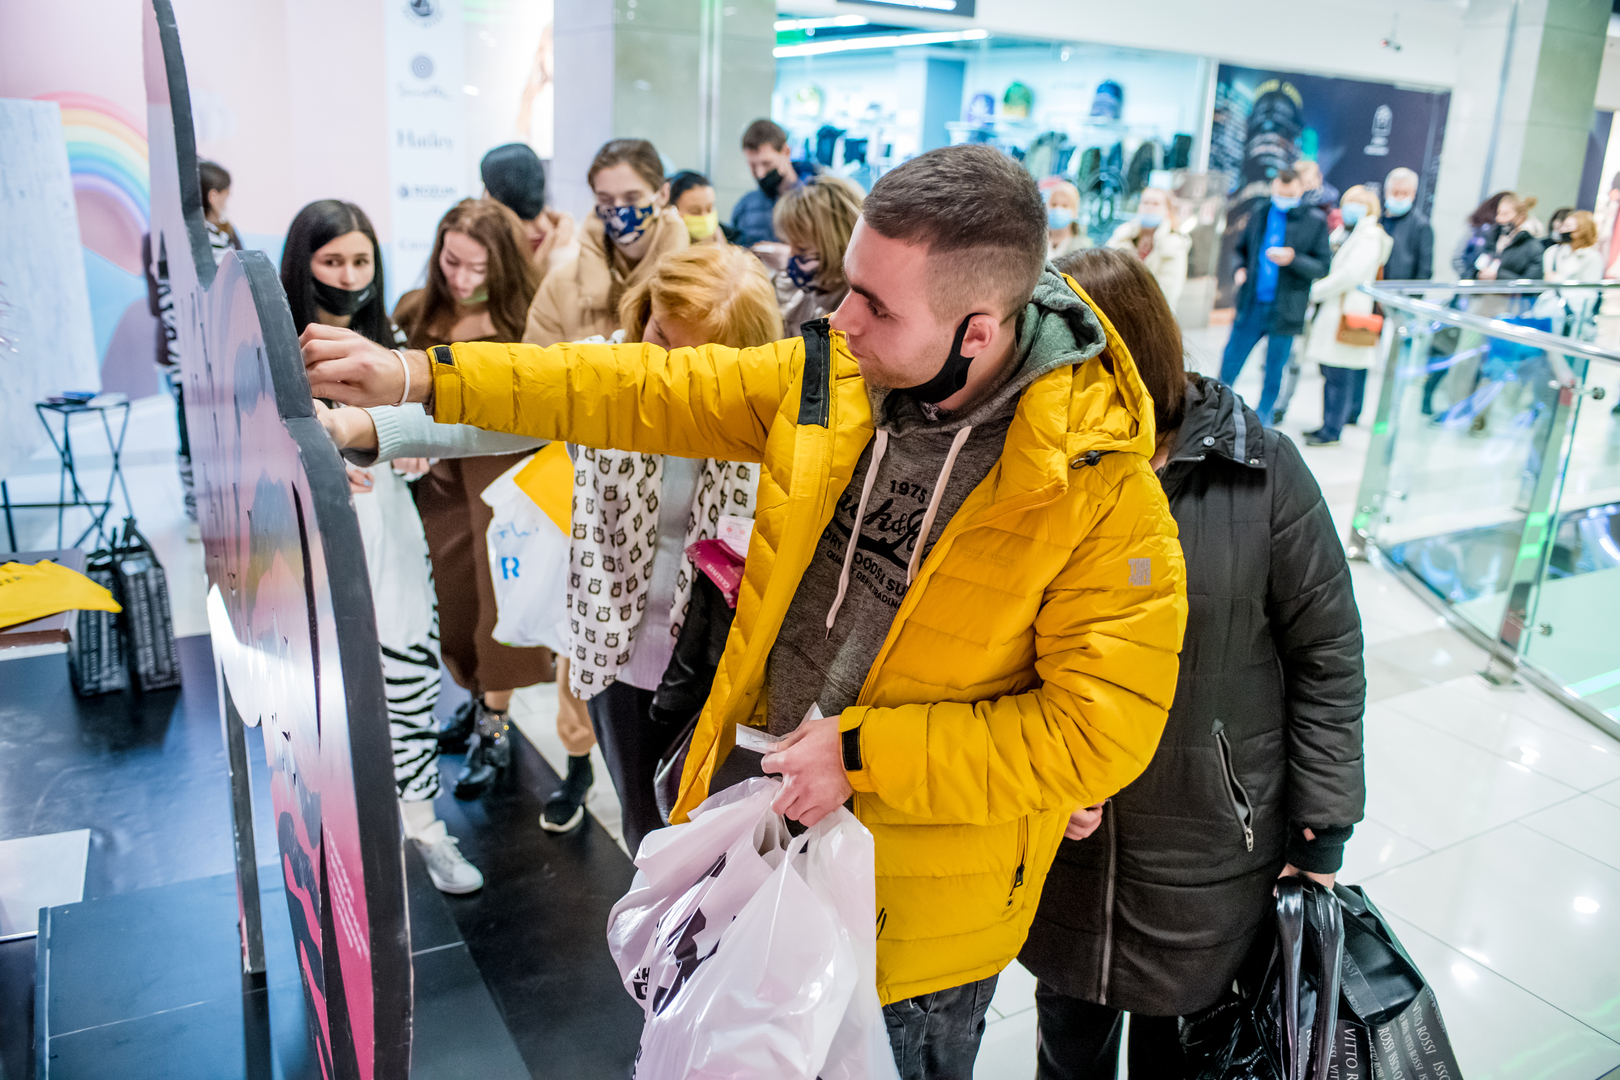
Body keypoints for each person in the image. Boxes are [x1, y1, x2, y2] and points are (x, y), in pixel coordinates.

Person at [302, 143, 1188, 1080]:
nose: (839, 320)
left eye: (877, 306)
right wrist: (415, 379)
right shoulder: (832, 380)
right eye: (846, 287)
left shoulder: (1103, 501)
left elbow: (1097, 737)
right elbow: (628, 388)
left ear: (976, 331)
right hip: (754, 839)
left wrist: (859, 756)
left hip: (912, 926)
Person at [1028, 246, 1363, 1080]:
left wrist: (1322, 831)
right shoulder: (1040, 469)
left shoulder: (1261, 471)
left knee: (1182, 1059)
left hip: (1210, 845)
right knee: (1066, 1047)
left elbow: (1327, 651)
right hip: (1063, 836)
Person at [280, 199, 484, 894]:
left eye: (360, 260)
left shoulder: (388, 340)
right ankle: (334, 838)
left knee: (408, 666)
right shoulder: (275, 347)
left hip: (389, 525)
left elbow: (424, 423)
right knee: (317, 690)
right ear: (303, 264)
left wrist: (405, 448)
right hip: (305, 535)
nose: (348, 274)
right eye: (332, 261)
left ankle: (423, 825)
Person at [395, 198, 555, 803]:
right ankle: (474, 701)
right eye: (451, 261)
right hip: (437, 478)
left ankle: (494, 724)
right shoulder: (416, 311)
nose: (461, 279)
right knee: (453, 597)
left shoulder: (528, 324)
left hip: (505, 480)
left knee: (501, 607)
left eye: (477, 269)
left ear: (504, 268)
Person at [523, 138, 689, 346]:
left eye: (631, 198)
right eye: (606, 200)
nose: (618, 210)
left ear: (663, 194)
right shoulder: (560, 286)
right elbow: (537, 371)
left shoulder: (696, 287)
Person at [1218, 168, 1332, 425]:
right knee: (1230, 362)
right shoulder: (1261, 212)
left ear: (1300, 190)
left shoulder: (1315, 221)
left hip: (1287, 309)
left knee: (1273, 371)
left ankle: (1263, 420)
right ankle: (1216, 409)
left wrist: (1294, 259)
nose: (1283, 197)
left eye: (1289, 194)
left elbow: (1323, 266)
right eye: (1279, 192)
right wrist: (1240, 269)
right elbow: (1240, 250)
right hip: (1252, 304)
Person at [1301, 185, 1393, 446]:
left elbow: (1350, 274)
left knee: (1339, 375)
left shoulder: (1370, 237)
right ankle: (1327, 424)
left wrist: (1316, 291)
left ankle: (1332, 429)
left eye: (1358, 203)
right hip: (1331, 307)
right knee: (1329, 371)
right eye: (1349, 202)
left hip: (1347, 308)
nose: (1351, 208)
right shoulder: (1344, 232)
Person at [771, 173, 863, 333]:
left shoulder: (856, 310)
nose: (791, 256)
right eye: (788, 244)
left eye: (802, 249)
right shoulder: (810, 292)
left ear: (837, 246)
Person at [479, 141, 576, 278]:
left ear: (499, 194)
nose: (482, 197)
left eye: (485, 186)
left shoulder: (492, 247)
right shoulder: (568, 236)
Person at [731, 118, 819, 247]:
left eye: (766, 163)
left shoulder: (817, 200)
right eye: (753, 165)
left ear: (786, 152)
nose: (760, 173)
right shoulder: (745, 206)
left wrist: (790, 259)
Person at [1106, 186, 1190, 309]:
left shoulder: (1174, 243)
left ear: (1167, 210)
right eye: (1145, 203)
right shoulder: (1121, 236)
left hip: (1155, 314)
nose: (1149, 207)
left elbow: (1168, 291)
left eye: (1156, 204)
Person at [1475, 193, 1544, 282]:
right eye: (1498, 213)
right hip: (1482, 293)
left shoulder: (1533, 247)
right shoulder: (1492, 237)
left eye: (1505, 214)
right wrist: (1478, 273)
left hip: (1508, 295)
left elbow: (1530, 285)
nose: (1499, 219)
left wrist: (1498, 275)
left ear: (1521, 216)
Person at [1380, 167, 1433, 281]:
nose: (1399, 197)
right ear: (1386, 192)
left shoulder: (1421, 226)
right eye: (1395, 192)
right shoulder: (1377, 220)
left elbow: (1424, 270)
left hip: (1400, 294)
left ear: (1413, 194)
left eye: (1404, 193)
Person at [199, 159, 242, 259]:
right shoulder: (203, 237)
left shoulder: (226, 229)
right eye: (226, 198)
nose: (226, 206)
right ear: (213, 198)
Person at [669, 170, 726, 245]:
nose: (704, 216)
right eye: (695, 211)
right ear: (673, 210)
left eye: (709, 209)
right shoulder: (668, 240)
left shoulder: (718, 236)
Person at [1042, 177, 1089, 260]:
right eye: (1053, 204)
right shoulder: (1037, 242)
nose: (1058, 209)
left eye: (1065, 206)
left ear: (1075, 211)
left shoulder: (1081, 249)